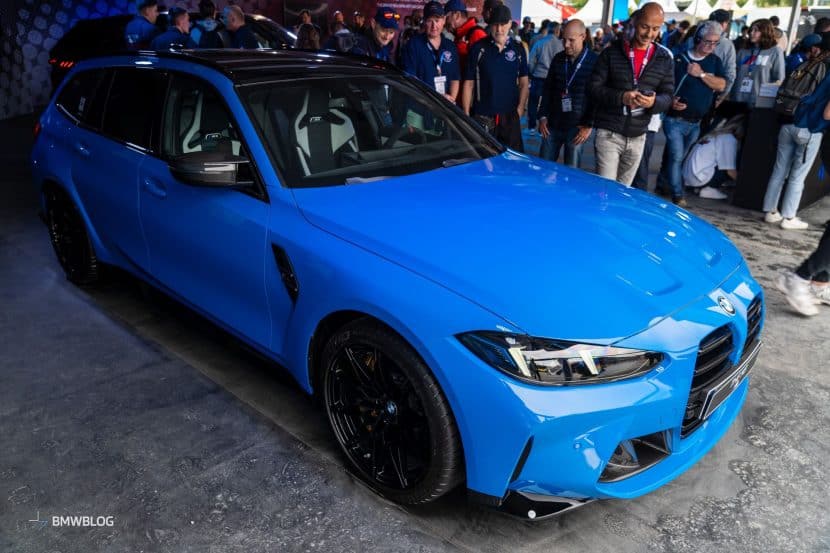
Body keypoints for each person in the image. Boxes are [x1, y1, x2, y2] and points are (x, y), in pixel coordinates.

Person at [588, 3, 674, 187]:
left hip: (638, 136)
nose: (649, 34)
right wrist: (622, 97)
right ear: (635, 23)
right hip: (609, 133)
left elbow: (668, 96)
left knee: (623, 192)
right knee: (606, 189)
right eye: (645, 27)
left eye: (655, 29)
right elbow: (593, 88)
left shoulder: (664, 58)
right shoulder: (611, 53)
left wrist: (653, 102)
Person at [762, 34, 830, 230]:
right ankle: (789, 217)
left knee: (779, 170)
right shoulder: (827, 69)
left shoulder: (805, 64)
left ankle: (770, 211)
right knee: (797, 175)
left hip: (787, 121)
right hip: (809, 127)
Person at [660, 21, 727, 204]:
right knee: (676, 157)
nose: (711, 46)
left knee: (681, 158)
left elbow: (721, 85)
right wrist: (670, 101)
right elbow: (664, 85)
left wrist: (702, 75)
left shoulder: (715, 61)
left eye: (715, 43)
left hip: (696, 122)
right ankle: (678, 195)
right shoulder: (679, 60)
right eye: (708, 42)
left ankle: (664, 182)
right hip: (674, 120)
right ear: (697, 39)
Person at [461, 4, 529, 151]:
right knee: (484, 158)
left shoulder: (518, 49)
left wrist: (520, 108)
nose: (499, 29)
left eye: (503, 24)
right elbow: (468, 83)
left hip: (510, 116)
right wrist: (466, 114)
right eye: (495, 25)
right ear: (490, 25)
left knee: (512, 158)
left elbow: (524, 82)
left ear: (510, 24)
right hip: (483, 116)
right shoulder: (478, 48)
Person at [537, 19, 598, 167]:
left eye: (571, 40)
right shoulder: (558, 58)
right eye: (564, 39)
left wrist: (589, 125)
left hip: (578, 127)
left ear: (583, 36)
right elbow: (548, 88)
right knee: (544, 167)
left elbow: (597, 97)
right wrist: (542, 116)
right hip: (553, 123)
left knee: (572, 171)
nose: (566, 45)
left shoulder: (595, 61)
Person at [401, 1, 460, 103]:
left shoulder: (450, 46)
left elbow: (455, 78)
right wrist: (435, 98)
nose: (434, 26)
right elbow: (411, 79)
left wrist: (451, 101)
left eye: (437, 20)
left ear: (444, 20)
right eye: (429, 21)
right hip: (419, 105)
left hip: (444, 105)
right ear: (424, 21)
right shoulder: (413, 45)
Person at [731, 19, 785, 109]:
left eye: (756, 30)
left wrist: (767, 101)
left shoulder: (775, 51)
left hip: (760, 103)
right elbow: (734, 74)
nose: (751, 33)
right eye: (751, 30)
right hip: (738, 99)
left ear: (765, 32)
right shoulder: (743, 51)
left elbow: (779, 79)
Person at [682, 119, 743, 196]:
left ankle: (699, 188)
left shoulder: (715, 134)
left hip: (687, 179)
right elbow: (730, 171)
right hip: (700, 180)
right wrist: (745, 186)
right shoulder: (729, 139)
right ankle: (710, 188)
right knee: (730, 163)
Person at [527, 21, 563, 132]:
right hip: (553, 79)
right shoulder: (561, 45)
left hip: (538, 76)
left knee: (533, 103)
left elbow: (531, 61)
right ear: (557, 31)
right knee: (549, 103)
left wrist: (532, 73)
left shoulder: (540, 43)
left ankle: (531, 126)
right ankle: (544, 128)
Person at [444, 0, 487, 76]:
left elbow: (485, 68)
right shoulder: (459, 35)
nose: (444, 22)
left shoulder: (477, 34)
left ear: (457, 15)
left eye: (447, 18)